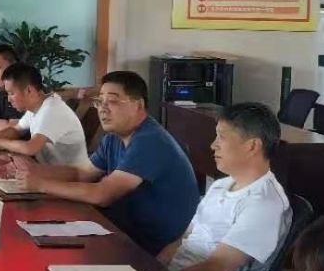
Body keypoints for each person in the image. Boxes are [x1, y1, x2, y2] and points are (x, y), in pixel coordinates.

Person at [13, 70, 199, 254]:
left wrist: (41, 184)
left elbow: (102, 194)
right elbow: (81, 173)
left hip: (145, 246)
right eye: (100, 101)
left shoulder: (150, 140)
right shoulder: (114, 138)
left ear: (139, 105)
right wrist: (33, 171)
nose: (103, 108)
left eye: (112, 101)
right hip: (117, 228)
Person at [159, 102, 291, 271]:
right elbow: (185, 237)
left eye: (222, 137)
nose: (213, 145)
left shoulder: (265, 203)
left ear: (252, 146)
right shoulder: (221, 185)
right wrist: (155, 270)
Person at [0, 63, 90, 168]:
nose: (9, 100)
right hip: (49, 170)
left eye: (11, 93)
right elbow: (16, 130)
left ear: (29, 90)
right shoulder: (36, 107)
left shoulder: (52, 110)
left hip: (70, 175)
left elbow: (30, 148)